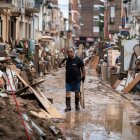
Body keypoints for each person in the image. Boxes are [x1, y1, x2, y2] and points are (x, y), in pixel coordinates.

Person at [59, 47, 86, 112]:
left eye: (71, 52)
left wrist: (83, 76)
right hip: (68, 80)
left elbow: (83, 68)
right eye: (68, 52)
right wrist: (62, 61)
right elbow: (59, 66)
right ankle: (68, 107)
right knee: (68, 92)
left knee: (77, 93)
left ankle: (77, 106)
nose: (69, 53)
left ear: (74, 52)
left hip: (77, 80)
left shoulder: (78, 60)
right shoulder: (66, 60)